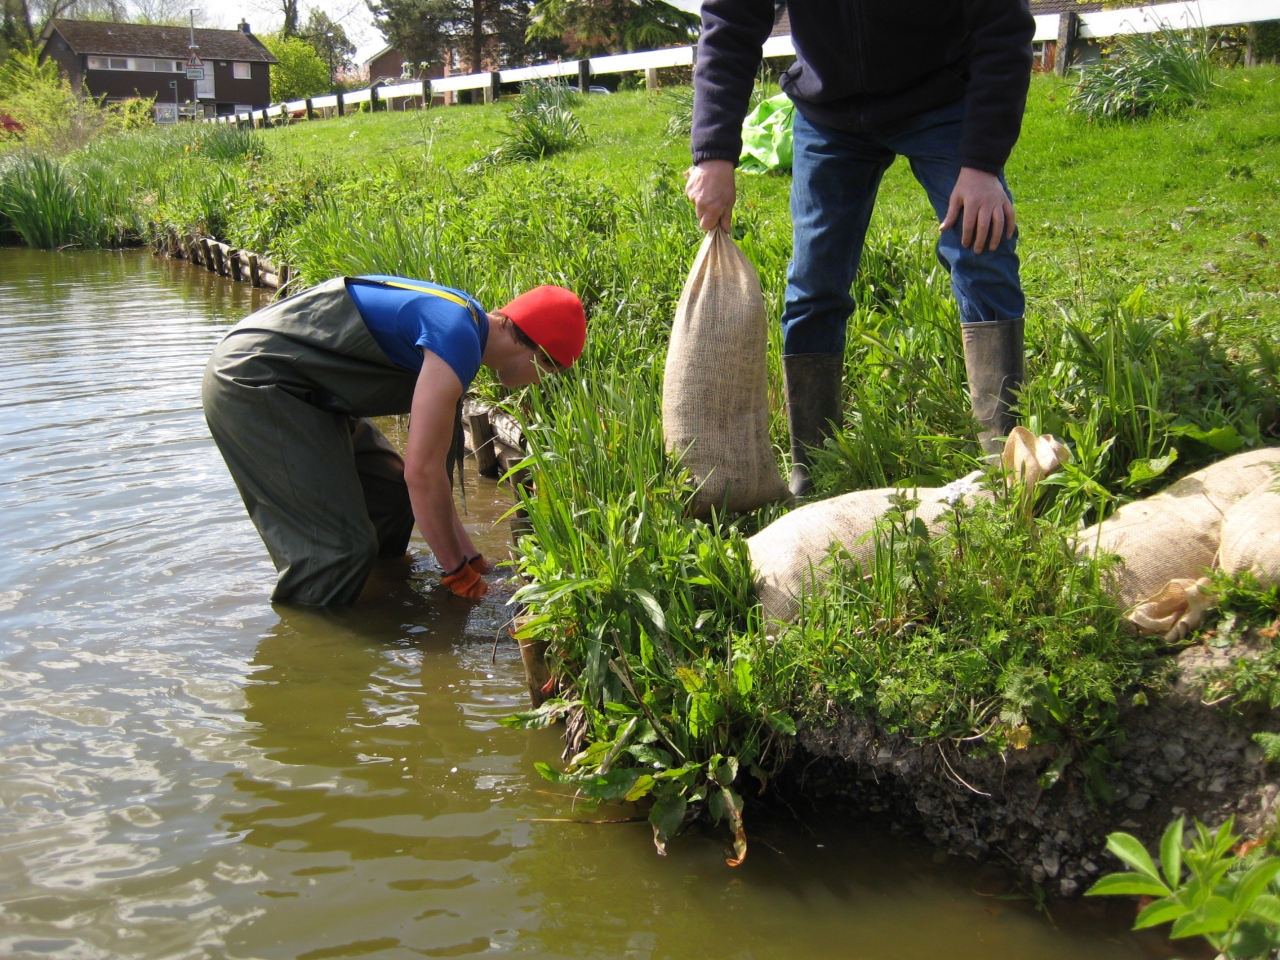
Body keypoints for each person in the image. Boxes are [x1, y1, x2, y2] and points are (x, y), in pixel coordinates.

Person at [685, 0, 1036, 495]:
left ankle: (1009, 457)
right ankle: (814, 468)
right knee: (813, 284)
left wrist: (981, 164)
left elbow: (1004, 26)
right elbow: (731, 25)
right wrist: (715, 153)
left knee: (982, 248)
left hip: (942, 96)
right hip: (829, 113)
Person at [202, 276, 586, 605]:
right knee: (337, 550)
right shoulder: (455, 339)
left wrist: (473, 560)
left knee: (391, 497)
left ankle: (374, 593)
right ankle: (314, 644)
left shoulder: (464, 322)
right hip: (254, 382)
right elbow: (422, 474)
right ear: (536, 350)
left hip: (305, 391)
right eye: (550, 370)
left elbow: (430, 480)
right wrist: (457, 574)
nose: (540, 382)